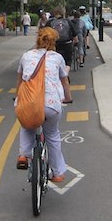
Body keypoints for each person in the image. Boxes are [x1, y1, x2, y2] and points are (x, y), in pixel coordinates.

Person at [15, 26, 73, 183]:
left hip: (30, 102)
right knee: (52, 135)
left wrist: (17, 98)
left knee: (27, 124)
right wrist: (68, 98)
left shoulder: (26, 56)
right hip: (51, 105)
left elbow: (20, 81)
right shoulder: (58, 58)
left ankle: (23, 155)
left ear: (37, 39)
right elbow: (64, 81)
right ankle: (58, 173)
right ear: (54, 41)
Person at [50, 6, 78, 70]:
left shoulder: (50, 22)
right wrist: (76, 43)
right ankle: (65, 75)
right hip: (67, 44)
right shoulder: (68, 22)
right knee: (67, 62)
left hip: (55, 45)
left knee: (54, 62)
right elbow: (74, 35)